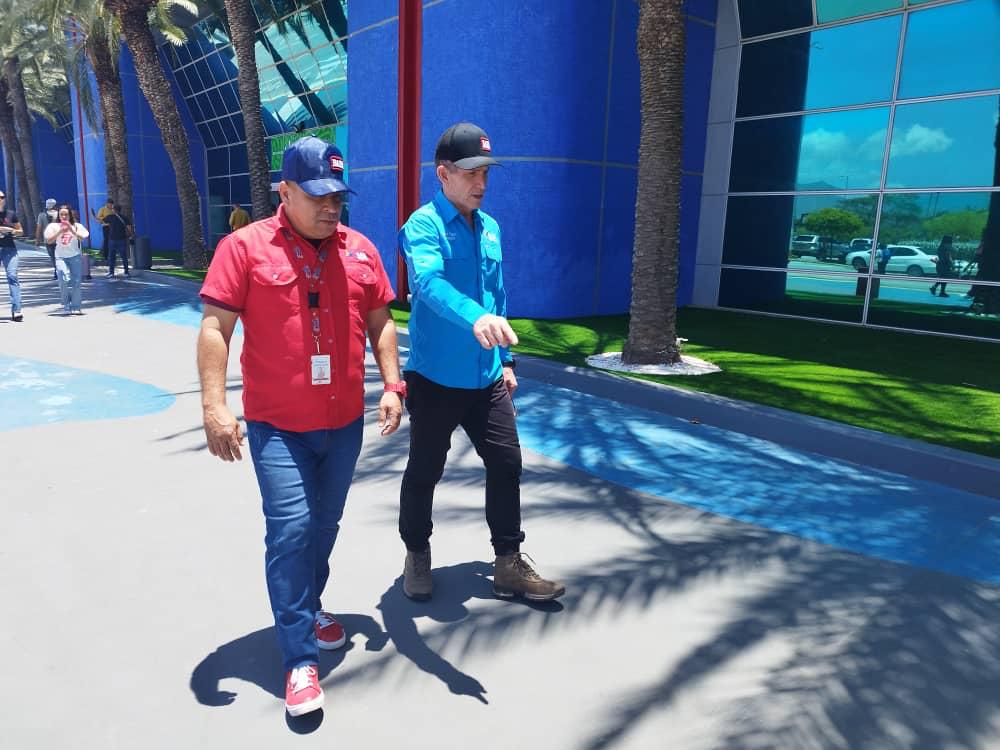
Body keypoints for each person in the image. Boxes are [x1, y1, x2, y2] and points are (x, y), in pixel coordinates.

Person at [197, 136, 404, 718]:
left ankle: (309, 604)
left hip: (343, 424)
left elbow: (382, 320)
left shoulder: (360, 251)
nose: (330, 207)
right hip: (278, 427)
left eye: (337, 196)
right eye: (317, 196)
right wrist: (214, 407)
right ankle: (299, 659)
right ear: (284, 192)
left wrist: (393, 385)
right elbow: (215, 328)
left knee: (324, 525)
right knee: (291, 530)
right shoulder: (244, 248)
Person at [397, 122, 565, 603]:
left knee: (507, 463)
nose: (481, 182)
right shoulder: (423, 226)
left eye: (486, 172)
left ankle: (508, 561)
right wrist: (475, 317)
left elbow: (498, 296)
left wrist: (506, 361)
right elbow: (427, 285)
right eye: (471, 172)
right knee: (425, 470)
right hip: (435, 378)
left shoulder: (490, 228)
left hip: (486, 376)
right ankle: (417, 552)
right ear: (443, 173)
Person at [44, 205, 89, 315]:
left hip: (75, 256)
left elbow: (82, 237)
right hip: (60, 256)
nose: (64, 217)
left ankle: (76, 306)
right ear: (58, 216)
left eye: (66, 214)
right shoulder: (53, 226)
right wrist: (60, 231)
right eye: (61, 214)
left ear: (70, 215)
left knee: (76, 282)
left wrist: (71, 230)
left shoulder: (77, 226)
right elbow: (49, 241)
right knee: (63, 278)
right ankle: (66, 303)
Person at [0, 190, 24, 321]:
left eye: (2, 197)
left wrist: (10, 230)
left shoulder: (11, 214)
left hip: (10, 249)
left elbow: (20, 231)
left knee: (12, 276)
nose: (0, 199)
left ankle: (17, 310)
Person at [104, 203, 132, 278]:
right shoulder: (124, 217)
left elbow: (101, 221)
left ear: (114, 210)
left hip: (112, 240)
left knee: (111, 257)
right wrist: (129, 235)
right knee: (124, 256)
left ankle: (111, 273)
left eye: (112, 208)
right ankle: (126, 272)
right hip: (122, 239)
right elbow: (129, 228)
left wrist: (93, 216)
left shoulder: (110, 217)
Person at [36, 198, 58, 279]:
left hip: (48, 240)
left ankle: (56, 271)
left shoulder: (41, 215)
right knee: (60, 256)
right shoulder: (59, 214)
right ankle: (60, 270)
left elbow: (39, 228)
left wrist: (37, 240)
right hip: (59, 239)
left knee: (53, 257)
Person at [94, 198, 114, 263]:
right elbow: (98, 218)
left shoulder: (113, 210)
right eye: (110, 204)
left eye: (111, 204)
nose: (111, 206)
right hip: (106, 227)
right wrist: (106, 219)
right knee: (106, 241)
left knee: (112, 241)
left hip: (113, 227)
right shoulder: (102, 209)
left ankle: (112, 255)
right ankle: (105, 256)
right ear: (107, 204)